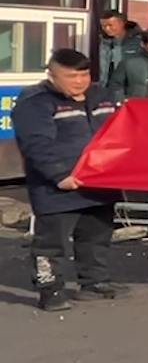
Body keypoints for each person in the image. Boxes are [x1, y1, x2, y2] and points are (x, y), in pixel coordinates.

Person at [14, 49, 124, 311]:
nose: (80, 81)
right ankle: (50, 290)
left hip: (99, 182)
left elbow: (121, 130)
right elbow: (36, 144)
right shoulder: (35, 101)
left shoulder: (102, 95)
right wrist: (60, 175)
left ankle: (94, 282)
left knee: (96, 237)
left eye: (84, 74)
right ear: (52, 76)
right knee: (52, 244)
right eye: (71, 76)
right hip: (57, 187)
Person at [97, 8, 141, 85]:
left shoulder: (139, 41)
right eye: (103, 26)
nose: (107, 29)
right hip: (108, 86)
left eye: (110, 25)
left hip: (130, 87)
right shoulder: (105, 42)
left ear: (122, 23)